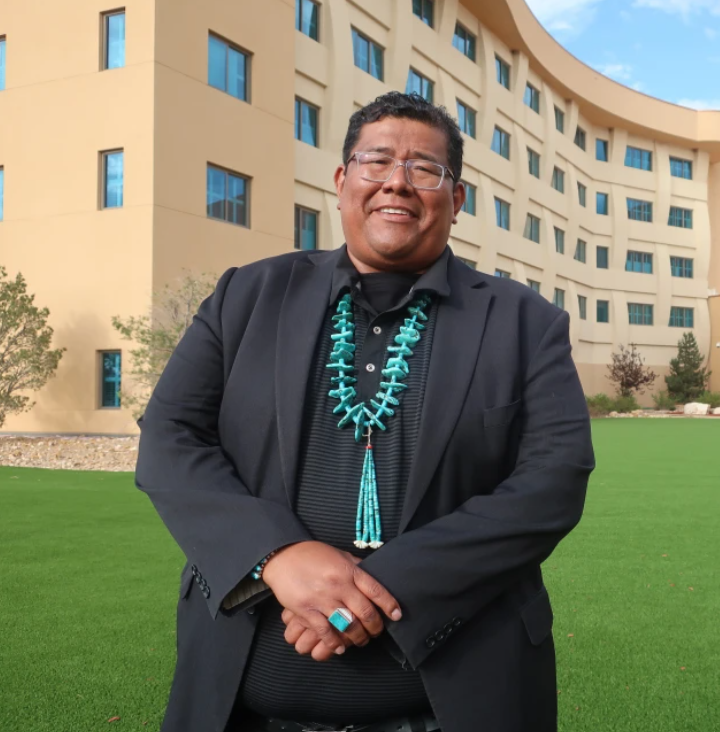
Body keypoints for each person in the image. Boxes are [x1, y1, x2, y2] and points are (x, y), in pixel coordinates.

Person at [135, 91, 595, 732]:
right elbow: (170, 438)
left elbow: (553, 480)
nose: (397, 183)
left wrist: (376, 592)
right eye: (376, 161)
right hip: (244, 702)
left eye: (425, 169)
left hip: (458, 701)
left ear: (455, 199)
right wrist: (278, 557)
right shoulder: (247, 296)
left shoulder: (524, 323)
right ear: (343, 180)